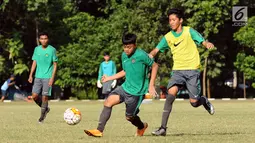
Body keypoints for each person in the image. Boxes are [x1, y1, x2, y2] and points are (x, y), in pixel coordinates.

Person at [149, 8, 215, 136]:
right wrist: (149, 55)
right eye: (170, 20)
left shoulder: (189, 31)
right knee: (170, 95)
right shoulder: (168, 37)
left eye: (174, 20)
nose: (171, 22)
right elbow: (156, 50)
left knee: (194, 103)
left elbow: (203, 41)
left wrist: (207, 44)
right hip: (177, 71)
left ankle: (203, 101)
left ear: (180, 20)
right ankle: (162, 128)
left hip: (192, 70)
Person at [84, 33, 158, 137]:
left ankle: (141, 126)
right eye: (125, 47)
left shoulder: (141, 55)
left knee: (129, 117)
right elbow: (125, 71)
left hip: (136, 92)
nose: (126, 50)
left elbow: (155, 66)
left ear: (135, 45)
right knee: (108, 102)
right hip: (125, 87)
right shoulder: (123, 55)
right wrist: (109, 78)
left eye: (129, 47)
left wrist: (151, 85)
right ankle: (99, 130)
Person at [28, 32, 58, 123]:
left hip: (48, 76)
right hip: (37, 76)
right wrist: (30, 75)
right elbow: (34, 62)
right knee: (34, 96)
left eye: (45, 38)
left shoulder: (52, 50)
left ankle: (41, 118)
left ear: (47, 40)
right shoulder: (37, 49)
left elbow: (55, 64)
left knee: (45, 97)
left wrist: (52, 78)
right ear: (39, 40)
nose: (44, 40)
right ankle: (45, 108)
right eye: (42, 39)